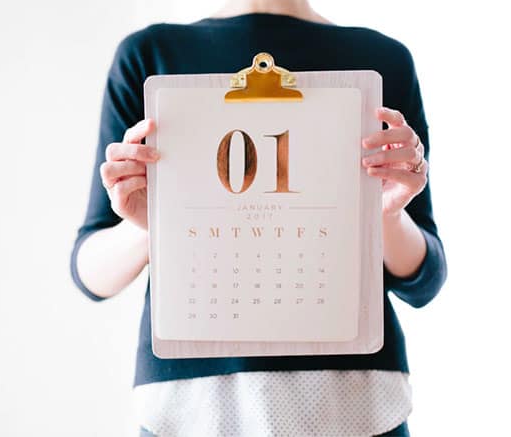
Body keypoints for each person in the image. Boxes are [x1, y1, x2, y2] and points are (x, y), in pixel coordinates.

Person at [69, 0, 448, 435]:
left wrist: (385, 212)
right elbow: (90, 271)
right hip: (193, 408)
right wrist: (154, 226)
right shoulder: (149, 56)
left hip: (352, 402)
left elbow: (425, 279)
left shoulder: (383, 60)